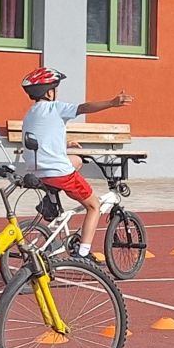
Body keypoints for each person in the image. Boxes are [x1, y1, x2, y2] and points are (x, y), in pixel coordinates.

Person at [19, 68, 133, 260]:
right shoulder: (55, 108)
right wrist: (112, 103)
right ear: (49, 92)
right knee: (94, 206)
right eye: (55, 88)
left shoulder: (30, 114)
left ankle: (52, 199)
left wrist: (65, 144)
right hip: (58, 172)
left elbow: (43, 137)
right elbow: (84, 108)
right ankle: (83, 253)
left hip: (37, 170)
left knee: (77, 161)